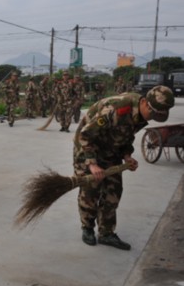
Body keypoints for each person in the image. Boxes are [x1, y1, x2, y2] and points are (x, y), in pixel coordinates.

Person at [74, 85, 174, 250]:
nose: (153, 117)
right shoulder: (118, 108)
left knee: (114, 191)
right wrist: (92, 163)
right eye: (154, 113)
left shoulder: (142, 115)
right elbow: (86, 134)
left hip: (111, 149)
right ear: (145, 103)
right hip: (88, 147)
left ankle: (106, 233)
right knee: (90, 190)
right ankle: (87, 228)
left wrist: (127, 156)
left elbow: (126, 136)